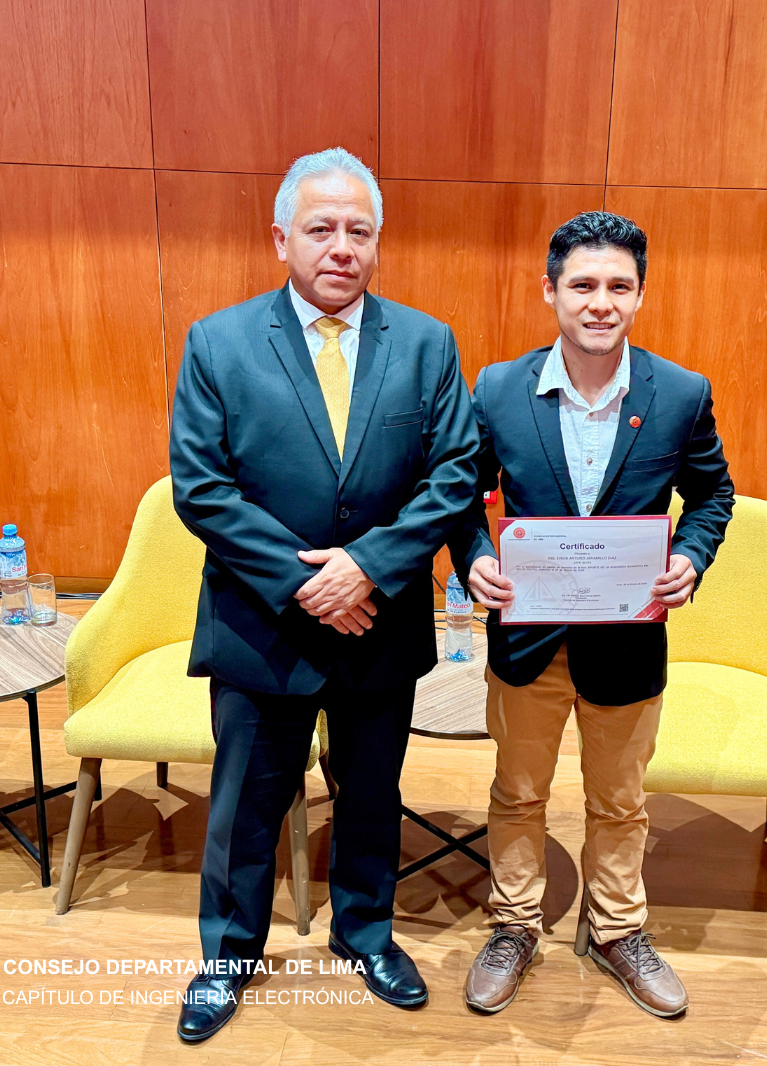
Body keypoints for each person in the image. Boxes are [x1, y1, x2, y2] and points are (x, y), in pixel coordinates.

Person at [168, 147, 479, 1044]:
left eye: (359, 231)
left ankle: (365, 933)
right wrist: (311, 582)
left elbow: (455, 472)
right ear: (281, 239)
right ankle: (228, 956)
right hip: (264, 623)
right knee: (246, 806)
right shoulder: (219, 342)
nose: (342, 247)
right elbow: (202, 488)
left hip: (380, 619)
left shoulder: (425, 343)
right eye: (321, 229)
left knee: (372, 792)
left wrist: (367, 565)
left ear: (377, 242)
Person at [449, 211, 733, 1018]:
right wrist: (472, 558)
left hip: (628, 640)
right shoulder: (498, 388)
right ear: (550, 292)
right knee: (517, 792)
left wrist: (692, 558)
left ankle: (617, 929)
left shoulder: (680, 394)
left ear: (640, 295)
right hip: (527, 637)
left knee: (620, 801)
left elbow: (713, 494)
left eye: (618, 286)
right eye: (582, 285)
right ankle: (513, 924)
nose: (600, 302)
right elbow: (459, 495)